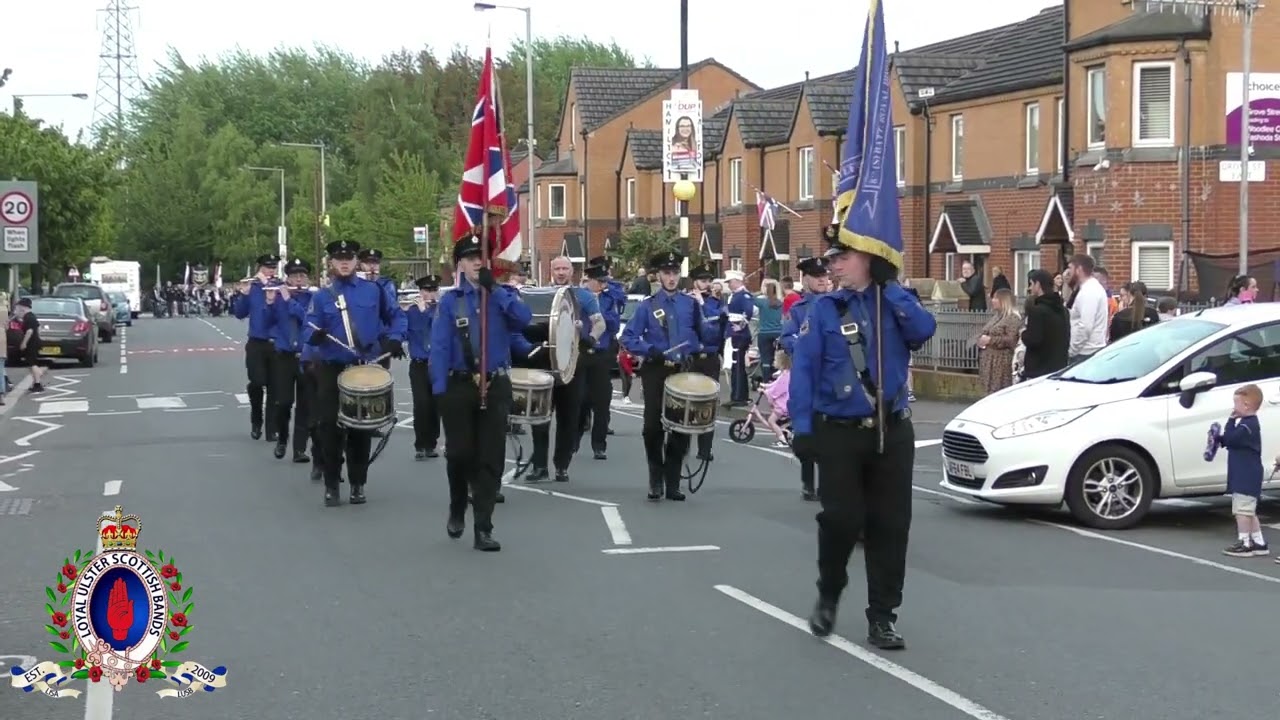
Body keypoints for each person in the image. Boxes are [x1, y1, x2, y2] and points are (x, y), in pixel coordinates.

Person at [790, 224, 937, 649]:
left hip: (892, 429)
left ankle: (883, 616)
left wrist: (889, 288)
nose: (833, 265)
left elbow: (923, 332)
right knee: (841, 519)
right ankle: (829, 593)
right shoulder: (824, 310)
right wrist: (802, 428)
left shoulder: (895, 301)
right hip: (839, 431)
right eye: (831, 259)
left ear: (869, 257)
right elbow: (804, 371)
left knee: (890, 525)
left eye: (842, 257)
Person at [430, 233, 533, 551]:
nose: (478, 261)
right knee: (459, 454)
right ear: (460, 263)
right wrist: (439, 391)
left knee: (491, 457)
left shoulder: (503, 296)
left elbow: (523, 320)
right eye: (471, 256)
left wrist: (495, 290)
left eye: (483, 256)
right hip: (460, 384)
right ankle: (458, 503)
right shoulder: (450, 301)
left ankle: (483, 527)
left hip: (496, 382)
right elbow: (440, 347)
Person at [305, 240, 408, 507]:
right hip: (332, 368)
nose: (344, 262)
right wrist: (314, 336)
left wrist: (394, 338)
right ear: (331, 263)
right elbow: (308, 329)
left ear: (356, 262)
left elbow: (396, 317)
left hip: (365, 366)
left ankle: (357, 483)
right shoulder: (321, 297)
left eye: (349, 258)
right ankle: (331, 484)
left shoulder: (373, 291)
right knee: (329, 427)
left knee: (361, 428)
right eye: (339, 258)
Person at [620, 250, 723, 501]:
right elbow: (628, 337)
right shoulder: (648, 306)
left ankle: (673, 481)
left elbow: (707, 337)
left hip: (683, 370)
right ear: (658, 276)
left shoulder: (690, 304)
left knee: (682, 426)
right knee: (652, 427)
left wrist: (718, 321)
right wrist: (650, 350)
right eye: (667, 273)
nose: (671, 278)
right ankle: (655, 478)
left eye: (675, 272)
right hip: (656, 369)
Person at [520, 256, 605, 481]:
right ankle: (540, 466)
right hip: (544, 362)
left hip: (572, 364)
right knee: (540, 416)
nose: (560, 272)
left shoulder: (584, 296)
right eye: (556, 268)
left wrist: (590, 339)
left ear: (572, 271)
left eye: (564, 268)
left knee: (569, 417)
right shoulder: (539, 295)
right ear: (551, 270)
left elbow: (599, 323)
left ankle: (561, 465)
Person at [779, 255, 830, 501]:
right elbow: (787, 338)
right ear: (807, 279)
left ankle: (829, 482)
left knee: (830, 431)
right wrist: (805, 345)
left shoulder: (835, 305)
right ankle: (808, 481)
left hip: (830, 376)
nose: (823, 281)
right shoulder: (798, 309)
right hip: (806, 377)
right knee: (806, 431)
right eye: (818, 277)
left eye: (825, 276)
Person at [577, 255, 627, 458]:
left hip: (603, 350)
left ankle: (599, 445)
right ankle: (574, 439)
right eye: (598, 281)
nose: (602, 284)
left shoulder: (608, 299)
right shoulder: (579, 297)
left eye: (603, 281)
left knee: (602, 399)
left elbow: (614, 323)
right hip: (581, 350)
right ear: (589, 281)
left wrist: (597, 314)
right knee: (579, 399)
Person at [232, 254, 282, 441]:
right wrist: (243, 295)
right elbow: (239, 313)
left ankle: (272, 428)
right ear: (259, 269)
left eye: (273, 268)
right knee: (257, 382)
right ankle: (256, 420)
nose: (270, 271)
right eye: (267, 268)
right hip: (256, 342)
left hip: (276, 342)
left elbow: (280, 314)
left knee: (275, 387)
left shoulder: (280, 287)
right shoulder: (252, 287)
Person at [269, 259, 314, 462]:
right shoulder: (278, 296)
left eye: (302, 275)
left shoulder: (312, 297)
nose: (298, 279)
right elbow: (265, 322)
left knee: (305, 405)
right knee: (284, 402)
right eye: (294, 276)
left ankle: (299, 449)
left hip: (305, 356)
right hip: (284, 356)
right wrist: (269, 303)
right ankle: (282, 439)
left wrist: (290, 301)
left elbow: (308, 319)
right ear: (287, 278)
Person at [1215, 384, 1267, 558]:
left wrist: (1230, 421)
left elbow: (1231, 439)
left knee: (1242, 511)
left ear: (1246, 405)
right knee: (1248, 510)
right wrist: (1221, 438)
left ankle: (1245, 542)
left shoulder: (1247, 426)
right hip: (1246, 474)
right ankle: (1259, 542)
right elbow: (1231, 440)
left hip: (1246, 475)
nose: (1233, 407)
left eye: (1236, 403)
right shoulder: (1247, 424)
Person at [689, 261, 727, 461]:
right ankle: (682, 446)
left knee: (707, 405)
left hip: (710, 358)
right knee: (686, 404)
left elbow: (713, 330)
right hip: (691, 358)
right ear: (694, 282)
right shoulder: (686, 301)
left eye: (708, 280)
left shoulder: (715, 303)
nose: (706, 284)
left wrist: (702, 304)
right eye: (702, 280)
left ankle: (705, 449)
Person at [406, 275, 442, 460]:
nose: (431, 294)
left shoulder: (441, 311)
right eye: (427, 290)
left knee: (435, 405)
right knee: (421, 405)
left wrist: (426, 312)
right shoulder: (412, 311)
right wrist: (420, 312)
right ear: (420, 291)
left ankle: (431, 444)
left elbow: (437, 329)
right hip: (419, 364)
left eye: (434, 289)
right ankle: (420, 444)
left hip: (437, 364)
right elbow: (409, 331)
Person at [1020, 269, 1069, 380]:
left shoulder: (1037, 311)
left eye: (1031, 284)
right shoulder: (1063, 310)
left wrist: (1023, 333)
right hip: (1059, 367)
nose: (1030, 288)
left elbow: (1033, 340)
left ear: (1038, 284)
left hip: (1038, 370)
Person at [358, 248, 400, 370]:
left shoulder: (386, 284)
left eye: (375, 263)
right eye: (368, 263)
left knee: (381, 381)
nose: (372, 267)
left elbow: (391, 309)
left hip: (381, 340)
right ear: (361, 265)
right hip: (358, 341)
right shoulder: (355, 285)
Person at [975, 288, 1021, 394]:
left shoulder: (1012, 318)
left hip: (1000, 362)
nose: (992, 300)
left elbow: (1011, 340)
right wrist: (980, 339)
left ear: (1004, 301)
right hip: (988, 361)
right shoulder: (996, 317)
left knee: (998, 391)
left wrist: (991, 340)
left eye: (996, 298)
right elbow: (985, 331)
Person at [1065, 254, 1107, 364]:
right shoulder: (1088, 288)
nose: (1068, 272)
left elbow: (1085, 326)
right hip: (1086, 351)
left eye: (1070, 268)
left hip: (1086, 353)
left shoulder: (1089, 291)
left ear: (1079, 269)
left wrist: (1072, 350)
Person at [725, 270, 755, 405]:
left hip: (740, 335)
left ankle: (739, 396)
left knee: (737, 366)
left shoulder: (744, 295)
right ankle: (737, 395)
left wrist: (741, 326)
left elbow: (748, 311)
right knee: (736, 365)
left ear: (737, 281)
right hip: (734, 334)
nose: (729, 285)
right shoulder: (734, 295)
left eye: (730, 282)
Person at [9, 298, 44, 393]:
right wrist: (37, 337)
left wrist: (24, 343)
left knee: (32, 364)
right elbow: (39, 328)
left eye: (18, 307)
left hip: (31, 344)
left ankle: (38, 383)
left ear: (23, 307)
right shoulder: (32, 316)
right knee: (31, 363)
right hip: (35, 342)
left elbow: (29, 331)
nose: (18, 309)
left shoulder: (28, 317)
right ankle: (37, 383)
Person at [762, 350, 792, 447]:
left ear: (782, 363)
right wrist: (766, 386)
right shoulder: (785, 374)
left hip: (782, 405)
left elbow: (776, 390)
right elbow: (774, 384)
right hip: (784, 403)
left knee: (771, 420)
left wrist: (765, 392)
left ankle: (782, 440)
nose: (773, 362)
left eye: (775, 360)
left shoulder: (785, 376)